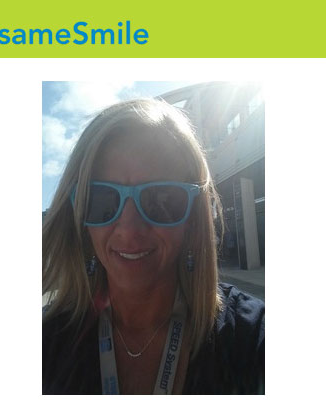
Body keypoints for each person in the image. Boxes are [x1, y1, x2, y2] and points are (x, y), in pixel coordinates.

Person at [42, 98, 264, 394]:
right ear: (81, 221)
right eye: (102, 201)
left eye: (162, 200)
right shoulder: (47, 343)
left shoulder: (250, 338)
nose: (129, 229)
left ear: (193, 216)